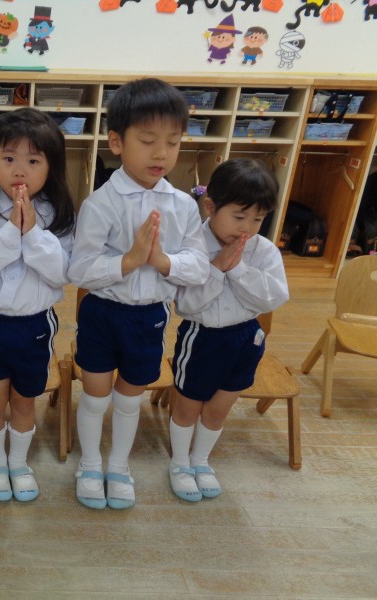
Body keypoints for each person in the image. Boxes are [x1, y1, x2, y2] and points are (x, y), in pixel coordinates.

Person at [68, 78, 209, 510]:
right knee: (95, 396)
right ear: (117, 142)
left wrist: (163, 261)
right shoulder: (100, 203)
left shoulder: (183, 205)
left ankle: (118, 465)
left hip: (149, 317)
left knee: (130, 400)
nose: (161, 153)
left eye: (173, 142)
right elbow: (79, 269)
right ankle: (89, 464)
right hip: (103, 313)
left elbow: (199, 266)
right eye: (148, 141)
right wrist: (128, 260)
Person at [0, 108, 75, 502]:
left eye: (33, 161)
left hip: (34, 326)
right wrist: (9, 234)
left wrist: (33, 232)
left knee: (24, 400)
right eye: (8, 158)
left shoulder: (58, 214)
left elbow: (62, 273)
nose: (19, 170)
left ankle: (18, 463)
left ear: (51, 168)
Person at [169, 159, 289, 501]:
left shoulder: (263, 250)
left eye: (258, 219)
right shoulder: (191, 247)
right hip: (202, 337)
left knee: (219, 409)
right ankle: (179, 463)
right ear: (211, 207)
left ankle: (200, 461)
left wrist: (237, 270)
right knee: (188, 408)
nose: (247, 228)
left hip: (246, 337)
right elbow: (187, 305)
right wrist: (217, 268)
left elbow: (273, 297)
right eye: (239, 217)